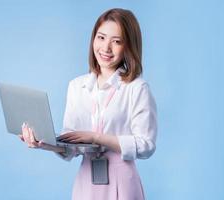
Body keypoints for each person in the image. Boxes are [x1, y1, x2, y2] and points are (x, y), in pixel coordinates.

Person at [19, 8, 157, 200]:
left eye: (116, 41)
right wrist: (44, 143)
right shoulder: (76, 86)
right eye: (101, 38)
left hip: (121, 180)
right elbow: (71, 145)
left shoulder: (137, 88)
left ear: (128, 46)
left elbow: (146, 145)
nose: (106, 48)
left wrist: (96, 138)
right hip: (87, 181)